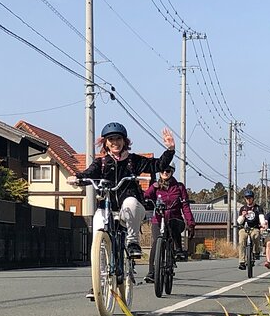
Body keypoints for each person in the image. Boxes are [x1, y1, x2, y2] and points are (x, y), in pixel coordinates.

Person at [67, 122, 175, 300]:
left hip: (130, 208)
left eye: (118, 138)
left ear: (125, 141)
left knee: (130, 203)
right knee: (98, 236)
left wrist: (170, 149)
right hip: (107, 208)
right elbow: (89, 173)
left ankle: (132, 243)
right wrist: (77, 178)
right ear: (105, 143)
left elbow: (158, 165)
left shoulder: (134, 161)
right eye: (111, 139)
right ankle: (99, 283)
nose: (115, 142)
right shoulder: (101, 163)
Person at [142, 162, 196, 283]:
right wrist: (148, 193)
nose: (165, 173)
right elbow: (145, 196)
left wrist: (191, 223)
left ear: (172, 172)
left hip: (175, 220)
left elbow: (185, 206)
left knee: (172, 223)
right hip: (158, 219)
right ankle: (151, 272)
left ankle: (178, 250)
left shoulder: (179, 187)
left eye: (168, 171)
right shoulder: (155, 186)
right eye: (162, 171)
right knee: (156, 242)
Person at [236, 189, 264, 270]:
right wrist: (243, 216)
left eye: (250, 197)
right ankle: (242, 262)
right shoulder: (243, 208)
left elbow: (261, 218)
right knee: (241, 241)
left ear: (253, 198)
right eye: (247, 198)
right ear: (245, 199)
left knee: (256, 236)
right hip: (244, 229)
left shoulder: (258, 208)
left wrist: (262, 224)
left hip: (254, 228)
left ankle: (256, 252)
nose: (248, 199)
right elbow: (239, 221)